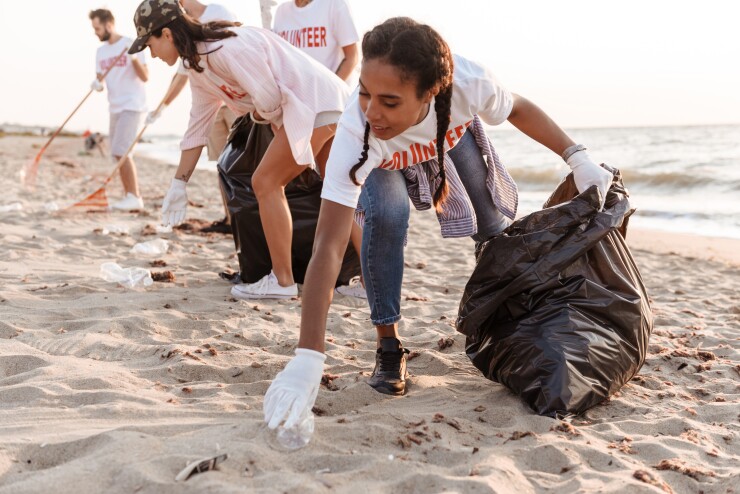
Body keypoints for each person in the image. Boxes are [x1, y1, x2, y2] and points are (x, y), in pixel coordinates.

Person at [263, 17, 614, 431]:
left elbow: (518, 107)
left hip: (451, 132)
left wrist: (577, 157)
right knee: (388, 217)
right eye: (363, 93)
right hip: (385, 160)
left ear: (431, 92)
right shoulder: (358, 132)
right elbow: (329, 245)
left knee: (492, 223)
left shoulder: (468, 84)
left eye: (389, 101)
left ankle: (509, 319)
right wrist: (308, 359)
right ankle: (389, 347)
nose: (372, 111)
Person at [129, 0, 350, 298]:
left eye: (150, 44)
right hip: (321, 103)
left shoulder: (225, 48)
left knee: (266, 182)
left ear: (167, 34)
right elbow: (198, 126)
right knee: (335, 189)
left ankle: (282, 282)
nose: (151, 54)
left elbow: (269, 100)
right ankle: (362, 278)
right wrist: (178, 183)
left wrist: (257, 116)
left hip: (315, 102)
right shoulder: (197, 65)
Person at [273, 0, 365, 298]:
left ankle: (368, 280)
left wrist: (326, 96)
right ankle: (365, 280)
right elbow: (279, 62)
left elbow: (352, 56)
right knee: (336, 188)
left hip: (329, 109)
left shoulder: (334, 6)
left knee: (342, 189)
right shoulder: (282, 12)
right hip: (296, 112)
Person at [145, 0, 238, 233]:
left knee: (246, 163)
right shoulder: (182, 43)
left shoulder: (217, 13)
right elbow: (181, 76)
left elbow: (238, 51)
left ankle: (245, 218)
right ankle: (230, 219)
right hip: (211, 98)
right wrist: (162, 106)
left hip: (235, 99)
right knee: (223, 163)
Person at [90, 8, 149, 211]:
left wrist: (133, 59)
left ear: (109, 25)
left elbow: (145, 77)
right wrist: (97, 84)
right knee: (117, 153)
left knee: (121, 150)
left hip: (132, 105)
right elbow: (101, 78)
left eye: (97, 28)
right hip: (114, 107)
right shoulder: (101, 51)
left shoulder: (130, 44)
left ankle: (134, 196)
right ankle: (130, 196)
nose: (95, 32)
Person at [273, 0, 359, 84]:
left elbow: (352, 57)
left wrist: (330, 92)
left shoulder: (335, 3)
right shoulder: (281, 11)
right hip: (293, 95)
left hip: (331, 95)